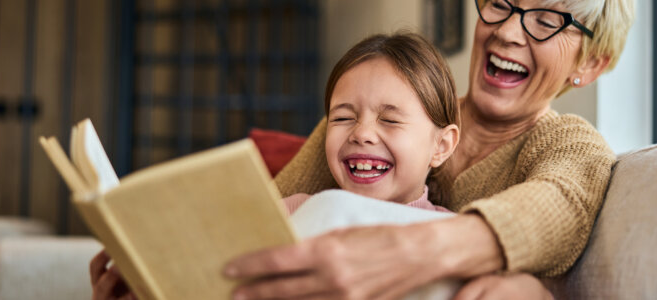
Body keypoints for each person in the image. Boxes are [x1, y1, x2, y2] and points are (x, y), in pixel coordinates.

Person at [221, 0, 634, 299]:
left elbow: (560, 204)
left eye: (547, 19)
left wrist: (410, 252)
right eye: (500, 4)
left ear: (591, 63)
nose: (506, 31)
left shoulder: (568, 143)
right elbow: (264, 227)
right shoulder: (370, 115)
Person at [90, 32, 463, 300]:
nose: (362, 134)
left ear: (441, 146)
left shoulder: (456, 236)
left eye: (391, 120)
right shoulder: (292, 210)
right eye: (343, 118)